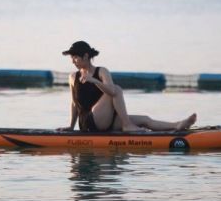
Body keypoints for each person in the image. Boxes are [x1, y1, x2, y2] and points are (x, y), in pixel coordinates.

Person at [58, 40, 197, 133]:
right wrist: (71, 126)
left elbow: (111, 92)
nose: (73, 61)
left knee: (145, 119)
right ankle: (127, 125)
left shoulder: (102, 71)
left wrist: (94, 81)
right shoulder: (72, 77)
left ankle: (177, 125)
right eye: (72, 58)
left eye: (75, 57)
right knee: (117, 89)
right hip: (88, 122)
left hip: (106, 119)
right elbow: (74, 103)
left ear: (86, 56)